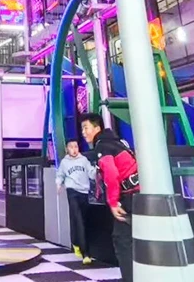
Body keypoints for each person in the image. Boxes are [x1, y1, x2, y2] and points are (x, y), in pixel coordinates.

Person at [80, 114, 139, 282]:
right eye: (82, 129)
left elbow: (111, 174)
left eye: (86, 128)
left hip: (128, 197)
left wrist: (113, 202)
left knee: (121, 240)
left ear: (97, 128)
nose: (83, 132)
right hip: (138, 194)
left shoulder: (103, 146)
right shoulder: (117, 142)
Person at [55, 138, 96, 263]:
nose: (74, 149)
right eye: (71, 147)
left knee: (81, 219)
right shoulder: (64, 162)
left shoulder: (84, 160)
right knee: (78, 219)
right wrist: (58, 184)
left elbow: (91, 174)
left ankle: (75, 242)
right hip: (72, 191)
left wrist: (97, 170)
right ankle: (86, 254)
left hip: (84, 192)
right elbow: (60, 174)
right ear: (67, 149)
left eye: (76, 147)